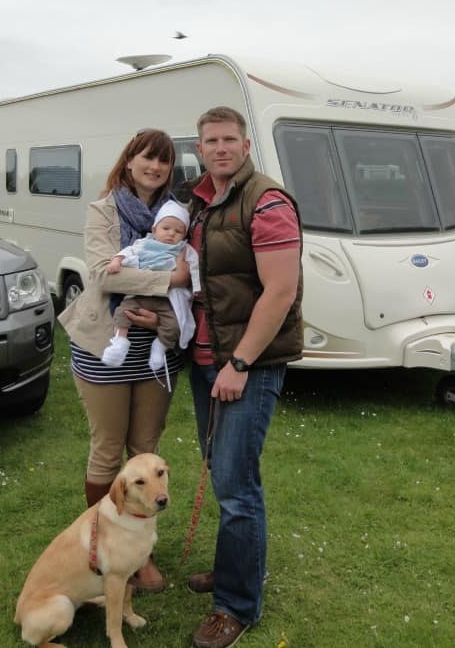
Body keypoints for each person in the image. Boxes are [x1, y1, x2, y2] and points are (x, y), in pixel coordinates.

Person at [184, 106, 303, 648]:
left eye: (230, 139)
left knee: (236, 485)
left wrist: (240, 364)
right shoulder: (202, 200)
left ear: (247, 144)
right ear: (201, 147)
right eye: (211, 140)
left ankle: (235, 605)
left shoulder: (267, 200)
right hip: (206, 356)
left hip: (243, 364)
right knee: (221, 467)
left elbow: (279, 291)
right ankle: (236, 568)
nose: (221, 148)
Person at [57, 128, 189, 592]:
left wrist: (177, 280)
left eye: (164, 161)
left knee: (146, 451)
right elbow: (102, 276)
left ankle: (140, 553)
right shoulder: (103, 210)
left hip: (156, 350)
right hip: (104, 347)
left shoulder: (178, 216)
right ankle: (100, 546)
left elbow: (193, 269)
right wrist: (169, 280)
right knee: (108, 450)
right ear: (129, 160)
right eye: (147, 158)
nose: (155, 167)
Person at [101, 200, 201, 378]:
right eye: (166, 228)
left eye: (178, 231)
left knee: (174, 326)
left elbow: (194, 268)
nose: (171, 234)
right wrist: (116, 261)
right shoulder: (143, 244)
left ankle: (160, 347)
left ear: (185, 235)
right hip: (140, 295)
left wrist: (197, 287)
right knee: (122, 312)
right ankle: (120, 341)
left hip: (167, 300)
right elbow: (127, 252)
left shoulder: (184, 250)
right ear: (154, 230)